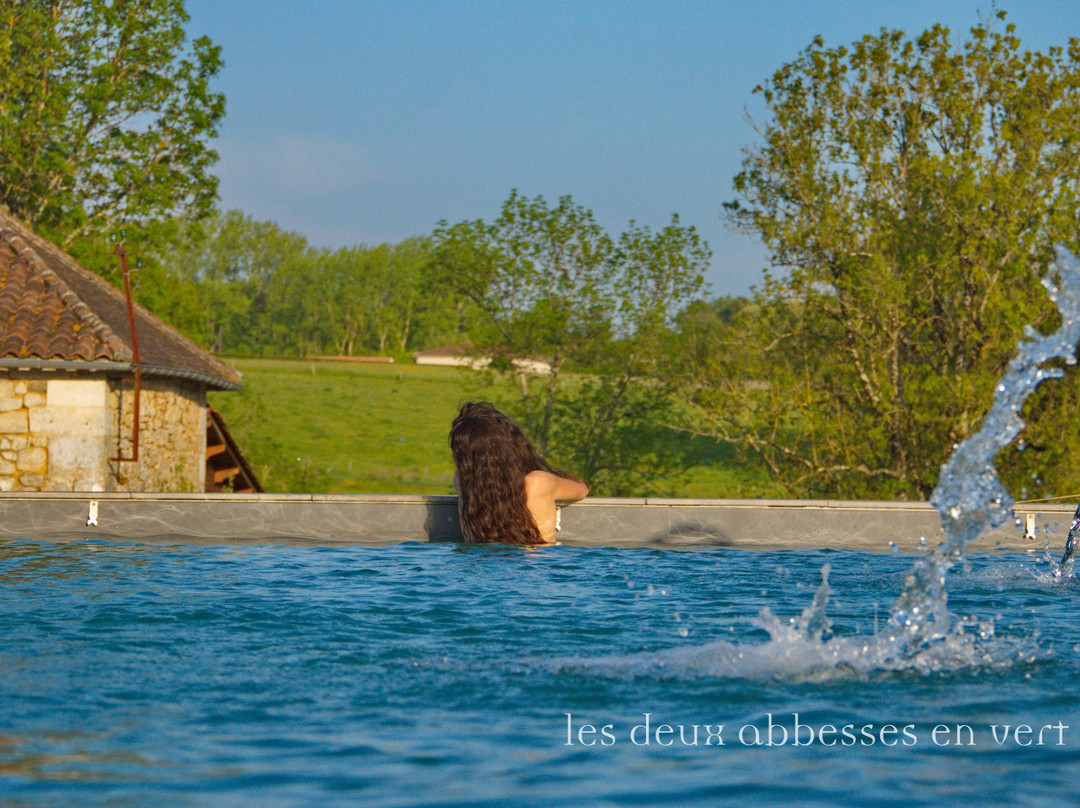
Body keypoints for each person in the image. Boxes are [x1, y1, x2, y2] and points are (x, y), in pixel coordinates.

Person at [449, 402, 588, 544]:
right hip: (537, 564)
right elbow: (582, 489)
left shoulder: (463, 483)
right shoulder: (539, 483)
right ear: (511, 445)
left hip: (476, 563)